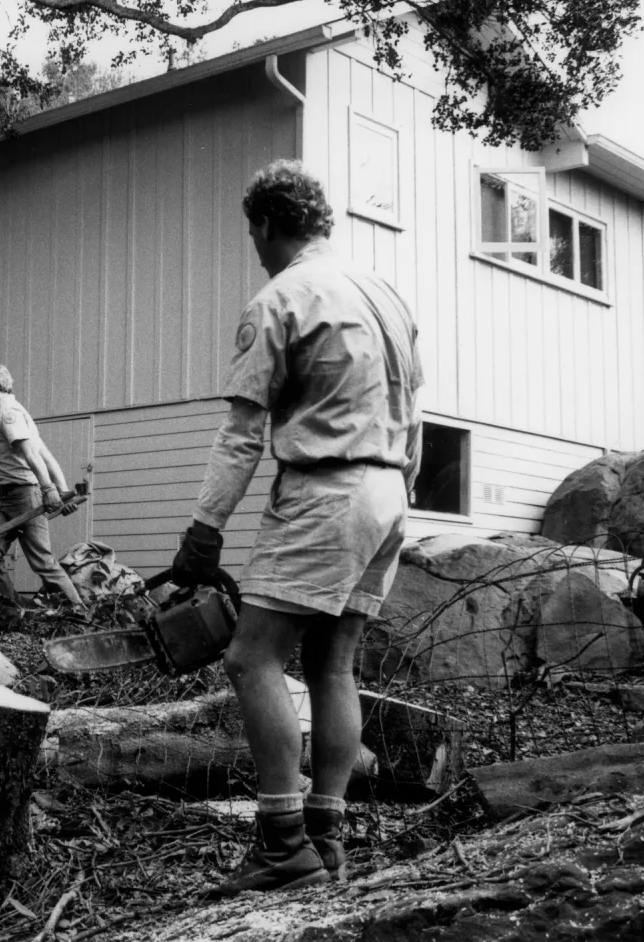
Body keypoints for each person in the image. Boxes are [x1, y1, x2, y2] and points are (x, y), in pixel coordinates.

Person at [171, 160, 423, 896]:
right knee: (333, 664)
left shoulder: (280, 297)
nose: (253, 243)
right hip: (389, 490)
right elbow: (417, 417)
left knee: (252, 658)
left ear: (266, 224)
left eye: (252, 230)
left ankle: (282, 842)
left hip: (327, 488)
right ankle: (326, 837)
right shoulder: (385, 293)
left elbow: (244, 431)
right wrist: (397, 493)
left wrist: (204, 527)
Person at [0, 364, 86, 610]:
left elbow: (33, 455)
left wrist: (49, 489)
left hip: (23, 495)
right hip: (6, 498)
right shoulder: (18, 412)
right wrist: (63, 490)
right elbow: (48, 456)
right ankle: (11, 609)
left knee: (42, 561)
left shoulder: (8, 413)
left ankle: (80, 612)